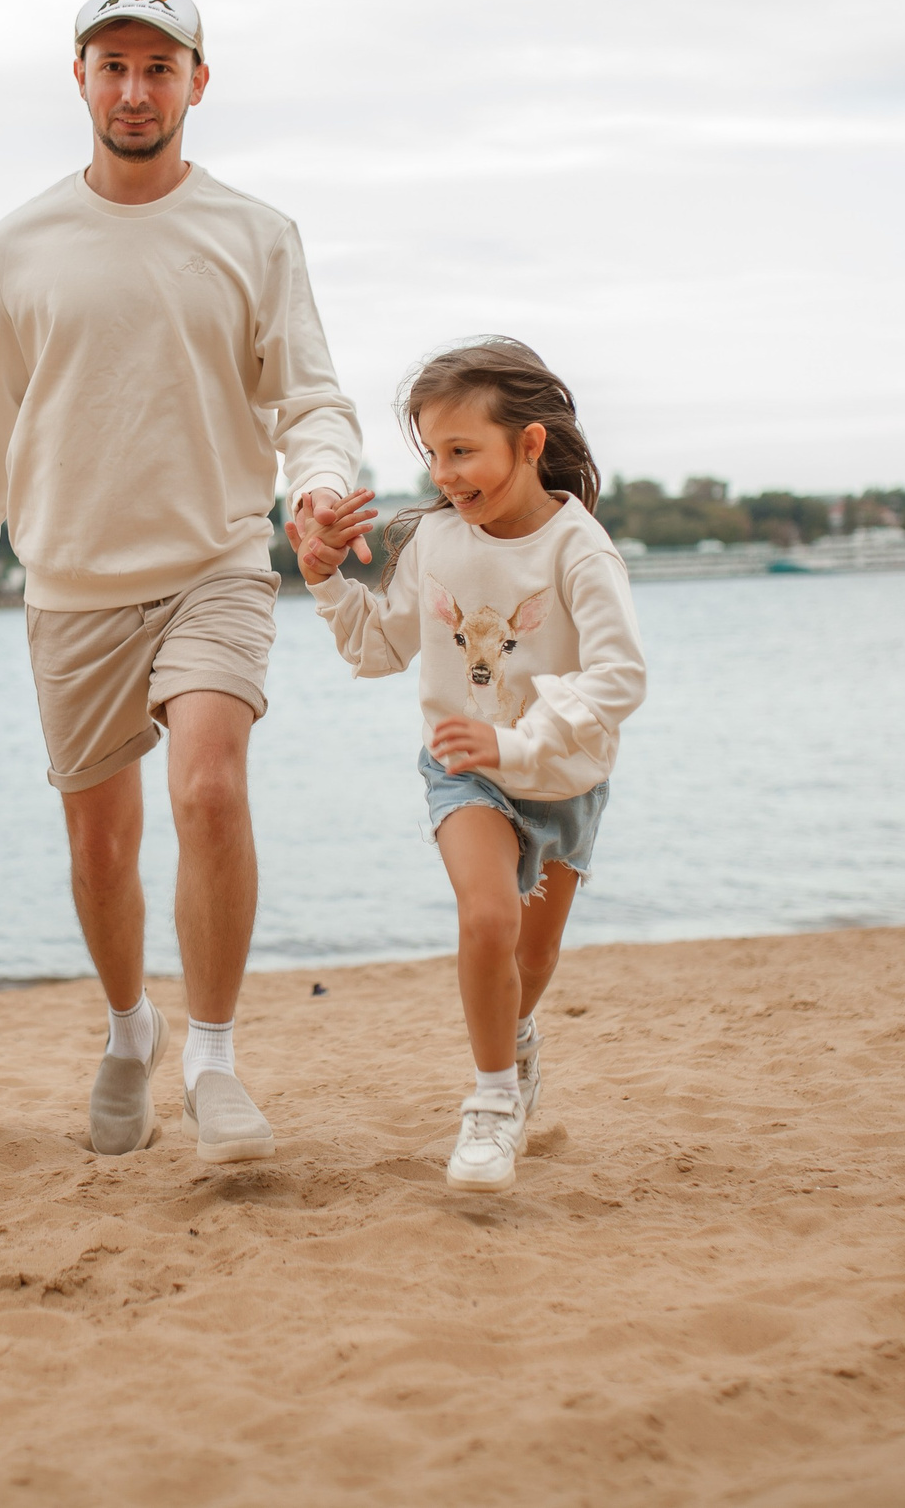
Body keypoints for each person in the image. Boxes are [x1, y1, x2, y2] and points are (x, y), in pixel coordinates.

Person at [0, 0, 365, 1163]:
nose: (136, 89)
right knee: (99, 848)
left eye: (160, 67)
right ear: (81, 78)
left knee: (207, 790)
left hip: (215, 561)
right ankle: (127, 1027)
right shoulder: (23, 242)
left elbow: (307, 395)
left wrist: (316, 488)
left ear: (198, 81)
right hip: (73, 585)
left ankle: (211, 1059)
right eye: (114, 66)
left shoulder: (256, 234)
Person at [288, 337, 646, 1192]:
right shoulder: (435, 542)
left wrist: (522, 741)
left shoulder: (578, 549)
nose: (446, 475)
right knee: (489, 920)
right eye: (433, 453)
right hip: (464, 768)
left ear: (528, 444)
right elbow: (380, 649)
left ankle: (516, 1044)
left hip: (564, 778)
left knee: (529, 961)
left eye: (463, 451)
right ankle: (490, 1106)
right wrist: (326, 578)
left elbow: (619, 677)